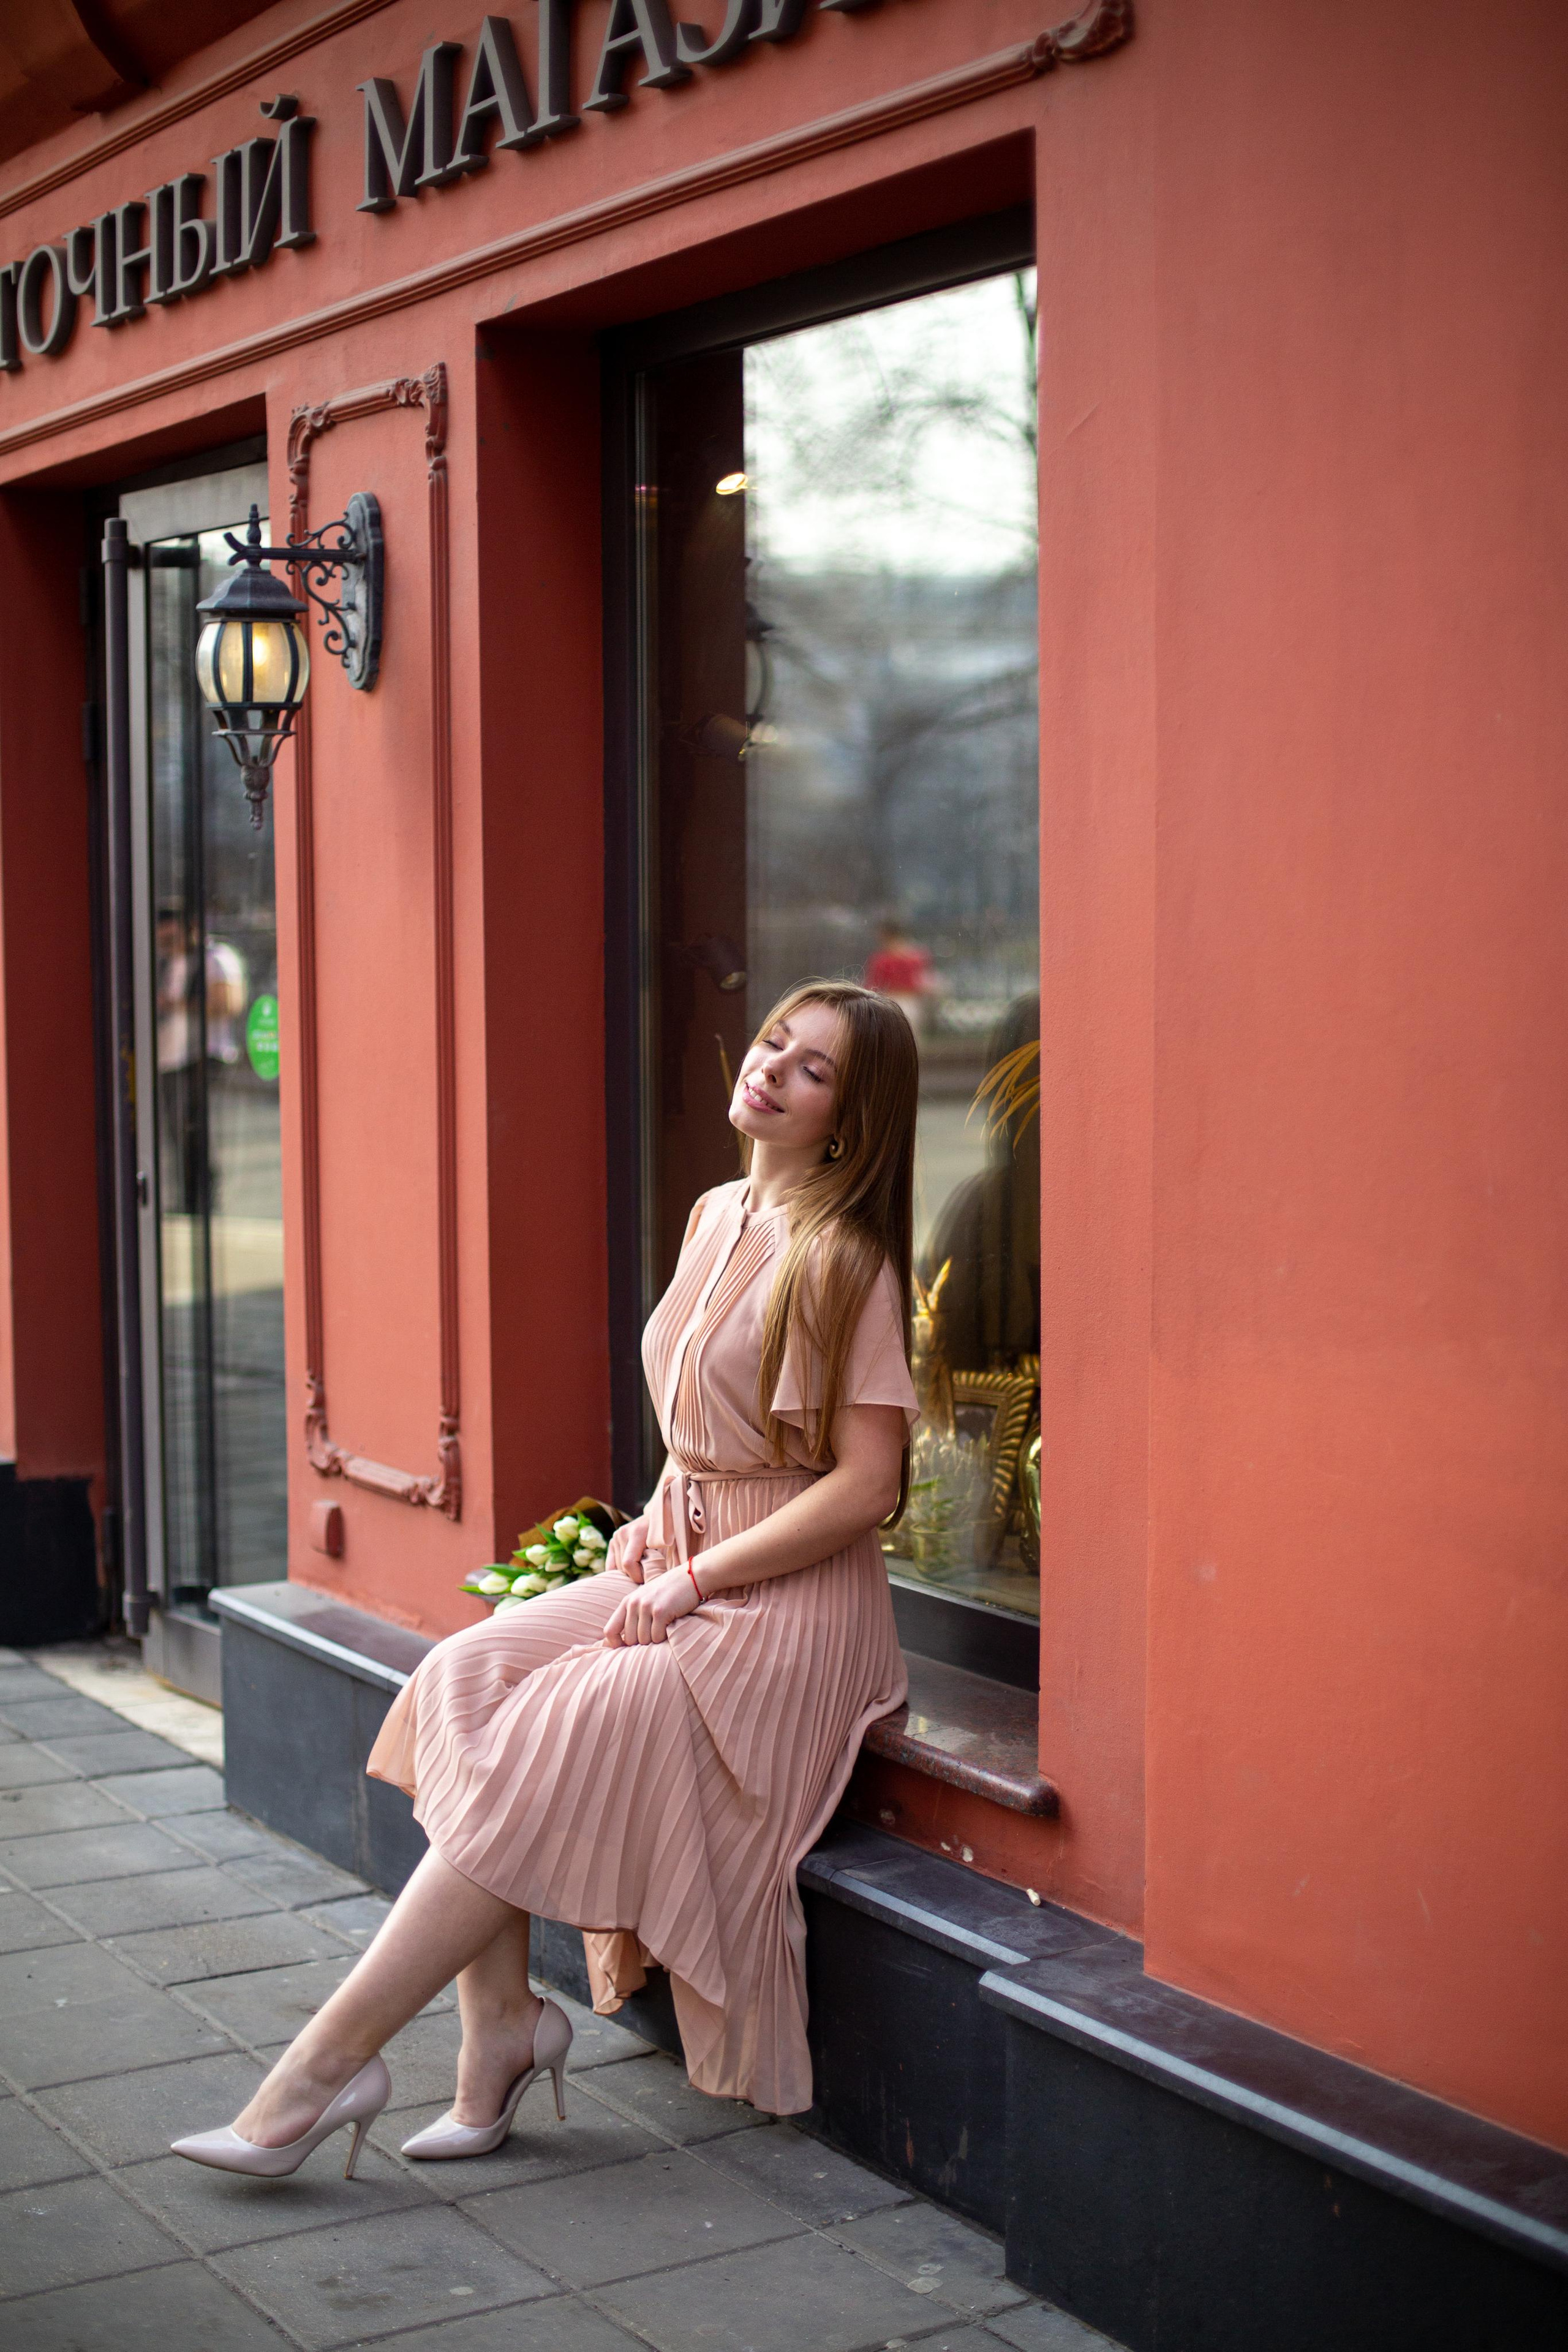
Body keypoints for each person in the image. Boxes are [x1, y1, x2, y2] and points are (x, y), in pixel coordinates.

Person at [170, 978, 919, 2178]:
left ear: (850, 1118)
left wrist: (691, 1579)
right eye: (774, 1042)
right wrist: (651, 1521)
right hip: (683, 1557)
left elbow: (864, 1486)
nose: (771, 1069)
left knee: (565, 1717)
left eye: (813, 1069)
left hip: (790, 1616)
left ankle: (316, 2073)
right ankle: (501, 2028)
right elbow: (698, 1414)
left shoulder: (848, 1262)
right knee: (464, 1673)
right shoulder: (714, 1210)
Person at [863, 919, 938, 1039]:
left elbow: (872, 985)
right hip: (911, 1003)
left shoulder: (883, 960)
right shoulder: (916, 956)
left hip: (892, 1002)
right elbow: (925, 983)